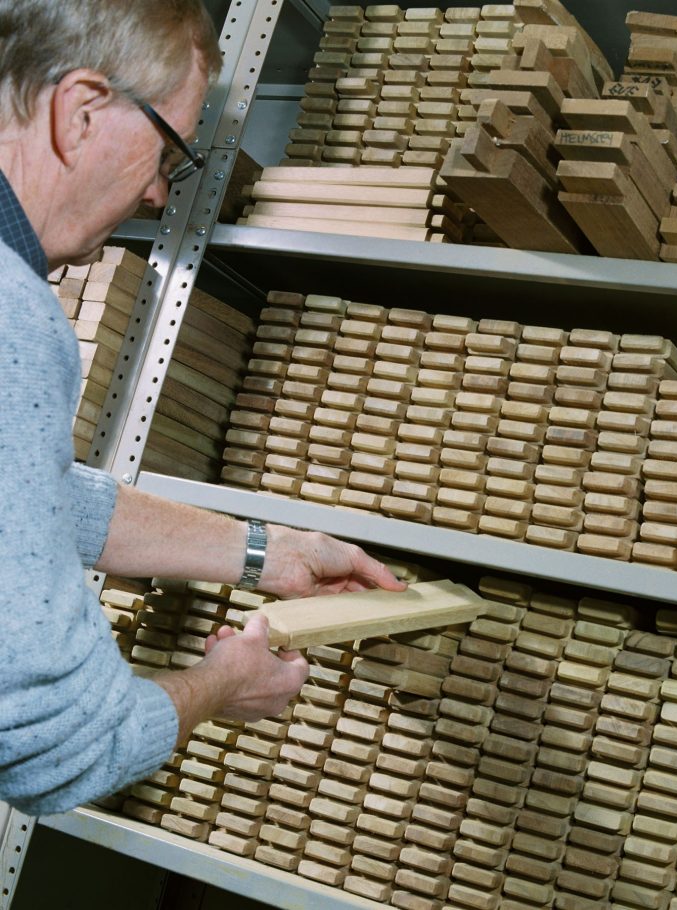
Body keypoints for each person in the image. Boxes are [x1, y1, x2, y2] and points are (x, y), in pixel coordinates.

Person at [0, 0, 407, 816]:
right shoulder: (12, 313)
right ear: (80, 113)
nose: (157, 191)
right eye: (165, 152)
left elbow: (25, 494)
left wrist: (264, 554)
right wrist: (226, 683)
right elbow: (64, 748)